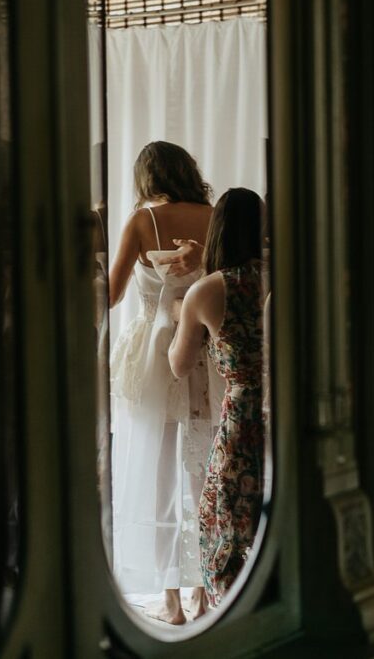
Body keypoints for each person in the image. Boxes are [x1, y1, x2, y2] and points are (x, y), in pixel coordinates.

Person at [108, 141, 221, 624]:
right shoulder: (216, 216)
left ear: (146, 178)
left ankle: (171, 600)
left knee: (159, 475)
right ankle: (203, 595)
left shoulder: (141, 221)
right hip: (207, 353)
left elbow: (111, 295)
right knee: (202, 472)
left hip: (156, 356)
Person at [168, 187, 266, 607]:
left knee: (224, 525)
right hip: (286, 410)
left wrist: (179, 315)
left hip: (242, 418)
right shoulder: (283, 276)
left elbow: (179, 364)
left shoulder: (207, 291)